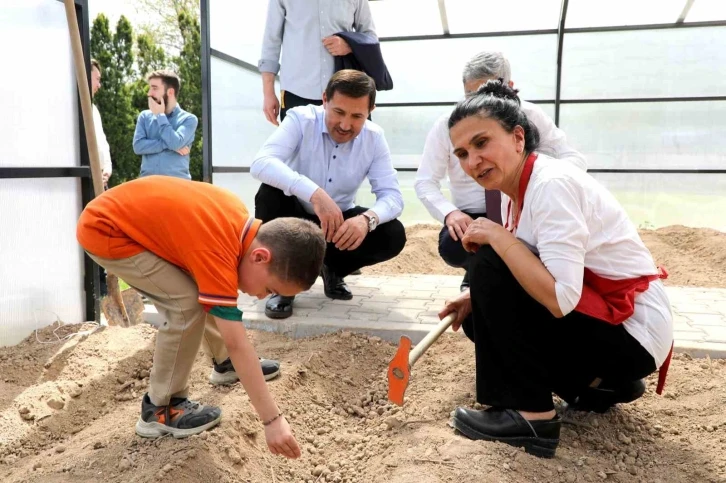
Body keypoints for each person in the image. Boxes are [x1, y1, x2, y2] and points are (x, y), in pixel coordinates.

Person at [439, 81, 673, 458]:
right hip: (621, 333)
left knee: (486, 260)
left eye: (482, 143)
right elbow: (537, 267)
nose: (472, 162)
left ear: (518, 137)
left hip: (632, 332)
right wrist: (475, 296)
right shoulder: (521, 187)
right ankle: (600, 387)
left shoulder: (550, 186)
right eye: (462, 153)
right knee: (478, 312)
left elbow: (561, 299)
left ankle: (532, 415)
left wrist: (498, 238)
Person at [76, 175, 325, 456]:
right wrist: (273, 421)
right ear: (260, 257)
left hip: (126, 217)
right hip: (107, 230)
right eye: (270, 288)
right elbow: (238, 342)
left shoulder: (238, 227)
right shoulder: (217, 250)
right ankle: (161, 408)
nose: (263, 296)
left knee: (201, 291)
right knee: (185, 306)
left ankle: (225, 365)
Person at [415, 52, 587, 291]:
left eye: (487, 96)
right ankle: (478, 273)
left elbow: (572, 158)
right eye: (470, 97)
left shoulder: (532, 116)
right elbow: (425, 181)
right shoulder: (447, 125)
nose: (480, 107)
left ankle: (510, 277)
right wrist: (451, 214)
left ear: (510, 88)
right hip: (473, 214)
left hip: (525, 208)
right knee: (454, 244)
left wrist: (543, 184)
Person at [250, 69, 406, 319]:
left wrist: (366, 220)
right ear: (324, 99)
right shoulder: (301, 119)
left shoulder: (375, 138)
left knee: (392, 233)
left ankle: (333, 268)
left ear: (370, 111)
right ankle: (282, 286)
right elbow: (261, 162)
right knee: (269, 195)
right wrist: (314, 194)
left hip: (335, 227)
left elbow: (393, 197)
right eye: (339, 112)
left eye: (357, 116)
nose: (346, 125)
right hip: (294, 218)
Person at [259, 0, 376, 125]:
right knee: (299, 144)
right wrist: (268, 93)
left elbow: (370, 37)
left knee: (353, 144)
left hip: (347, 92)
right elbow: (271, 41)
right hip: (297, 91)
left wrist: (349, 45)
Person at [132, 70, 197, 179]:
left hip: (177, 187)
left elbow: (175, 144)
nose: (149, 93)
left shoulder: (189, 119)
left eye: (154, 88)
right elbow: (138, 146)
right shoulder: (144, 117)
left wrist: (160, 116)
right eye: (150, 88)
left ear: (170, 92)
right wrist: (167, 144)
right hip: (148, 185)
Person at [90, 58, 113, 295]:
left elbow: (102, 143)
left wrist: (107, 167)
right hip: (86, 179)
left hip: (101, 180)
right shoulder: (75, 107)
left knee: (103, 232)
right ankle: (98, 287)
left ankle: (104, 285)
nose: (99, 85)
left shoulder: (93, 109)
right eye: (97, 79)